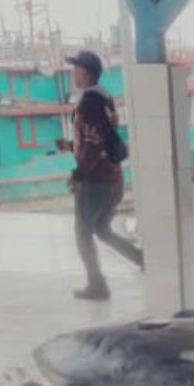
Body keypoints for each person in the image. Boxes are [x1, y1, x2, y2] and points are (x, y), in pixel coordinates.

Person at [56, 50, 142, 300]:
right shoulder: (105, 99)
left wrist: (78, 174)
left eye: (76, 70)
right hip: (112, 178)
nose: (73, 74)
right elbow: (99, 141)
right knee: (102, 229)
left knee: (83, 234)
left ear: (86, 74)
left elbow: (93, 145)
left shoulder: (89, 103)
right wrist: (71, 147)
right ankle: (141, 259)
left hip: (95, 182)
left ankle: (97, 285)